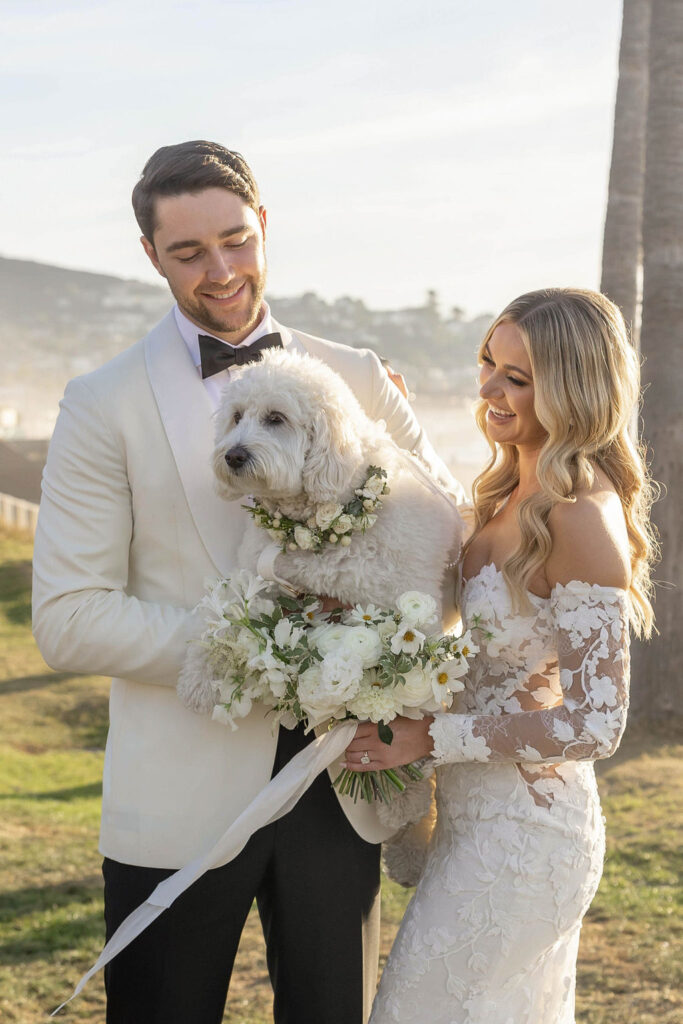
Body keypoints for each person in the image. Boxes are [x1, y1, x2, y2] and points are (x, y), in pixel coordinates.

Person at [31, 140, 462, 1024]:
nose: (221, 270)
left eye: (235, 239)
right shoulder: (101, 402)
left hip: (341, 785)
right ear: (150, 255)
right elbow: (69, 618)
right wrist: (273, 650)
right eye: (188, 252)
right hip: (176, 799)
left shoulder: (360, 373)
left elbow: (452, 540)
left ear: (263, 225)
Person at [345, 288, 657, 1023]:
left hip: (527, 840)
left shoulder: (579, 515)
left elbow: (597, 723)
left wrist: (434, 738)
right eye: (488, 363)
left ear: (574, 387)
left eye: (517, 378)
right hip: (471, 824)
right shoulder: (505, 491)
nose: (489, 387)